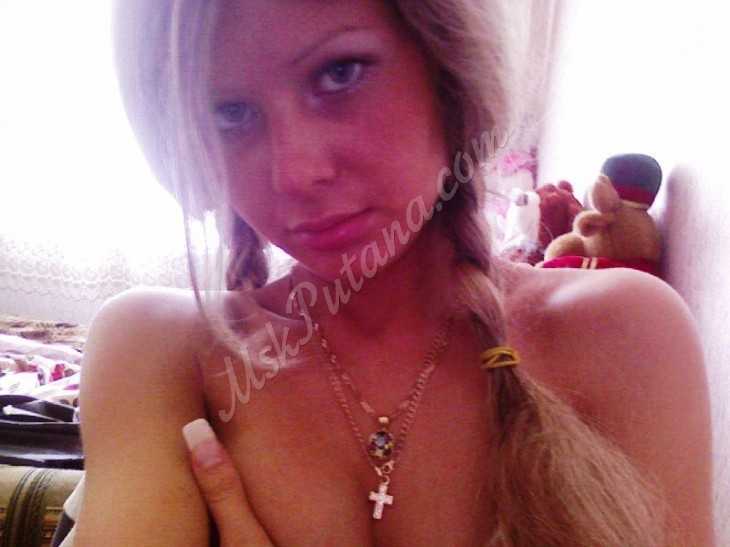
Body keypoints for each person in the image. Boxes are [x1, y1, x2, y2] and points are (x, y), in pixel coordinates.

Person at [65, 1, 714, 546]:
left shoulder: (623, 332)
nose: (295, 173)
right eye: (228, 114)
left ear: (448, 68)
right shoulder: (159, 348)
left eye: (340, 73)